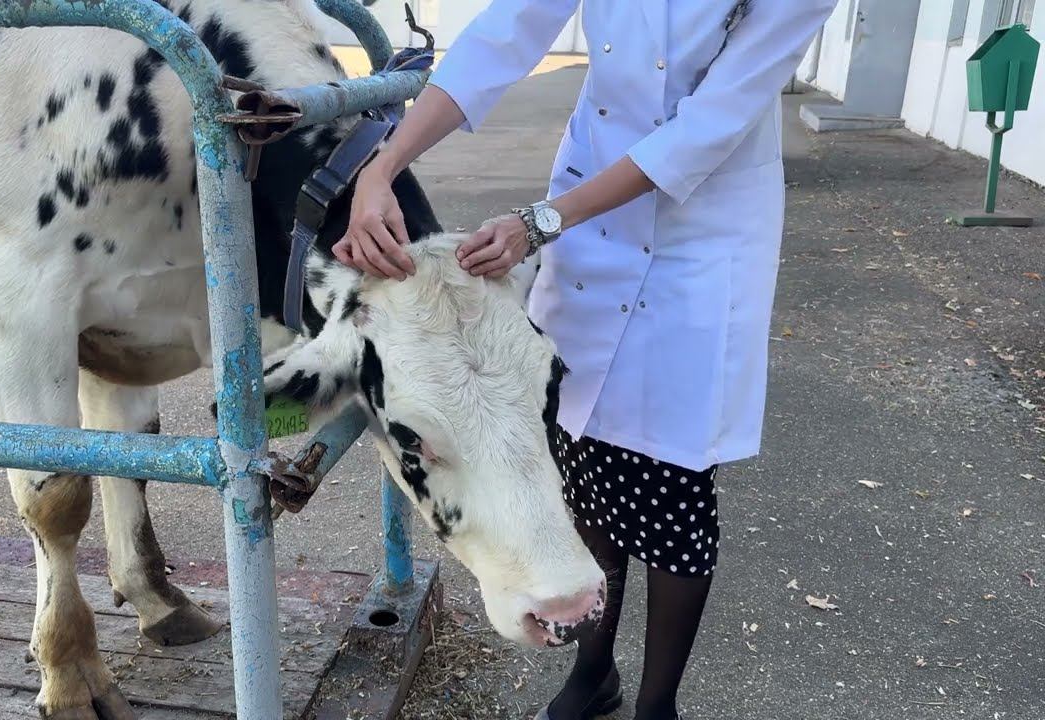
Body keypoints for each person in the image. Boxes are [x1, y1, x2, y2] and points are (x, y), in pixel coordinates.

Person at [335, 1, 838, 718]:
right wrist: (382, 167)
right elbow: (504, 34)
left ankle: (657, 707)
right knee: (583, 454)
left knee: (672, 484)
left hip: (699, 235)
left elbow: (709, 125)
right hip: (588, 216)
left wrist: (542, 220)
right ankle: (594, 672)